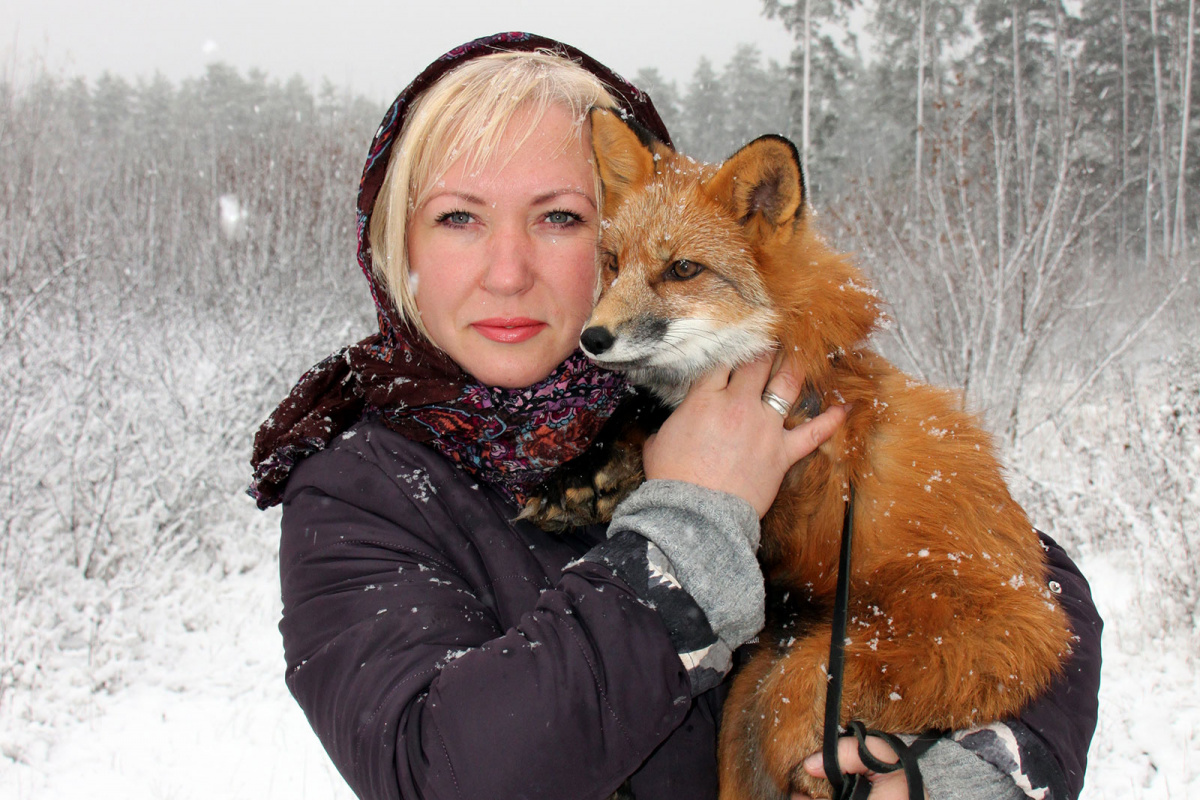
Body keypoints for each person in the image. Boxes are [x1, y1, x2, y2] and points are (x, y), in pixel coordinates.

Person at [249, 32, 1102, 800]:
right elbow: (441, 771)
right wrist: (689, 525)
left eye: (560, 217)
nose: (506, 271)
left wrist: (972, 774)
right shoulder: (360, 493)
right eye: (459, 217)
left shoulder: (713, 379)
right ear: (398, 248)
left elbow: (1029, 590)